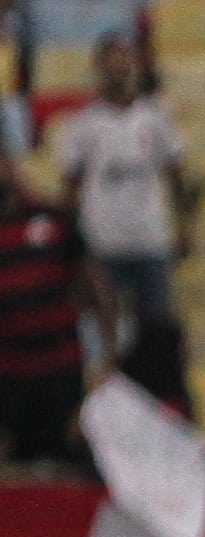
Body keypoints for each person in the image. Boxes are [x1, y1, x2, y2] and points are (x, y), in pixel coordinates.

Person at [57, 34, 194, 324]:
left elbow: (175, 175)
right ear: (99, 68)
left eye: (125, 59)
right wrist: (73, 246)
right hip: (103, 245)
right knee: (107, 328)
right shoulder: (84, 124)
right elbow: (70, 188)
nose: (119, 68)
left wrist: (184, 226)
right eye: (111, 61)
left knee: (157, 327)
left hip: (150, 241)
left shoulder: (156, 117)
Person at [0, 150, 117, 470]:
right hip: (9, 378)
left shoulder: (53, 219)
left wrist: (106, 360)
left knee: (72, 463)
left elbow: (98, 291)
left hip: (61, 372)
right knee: (18, 474)